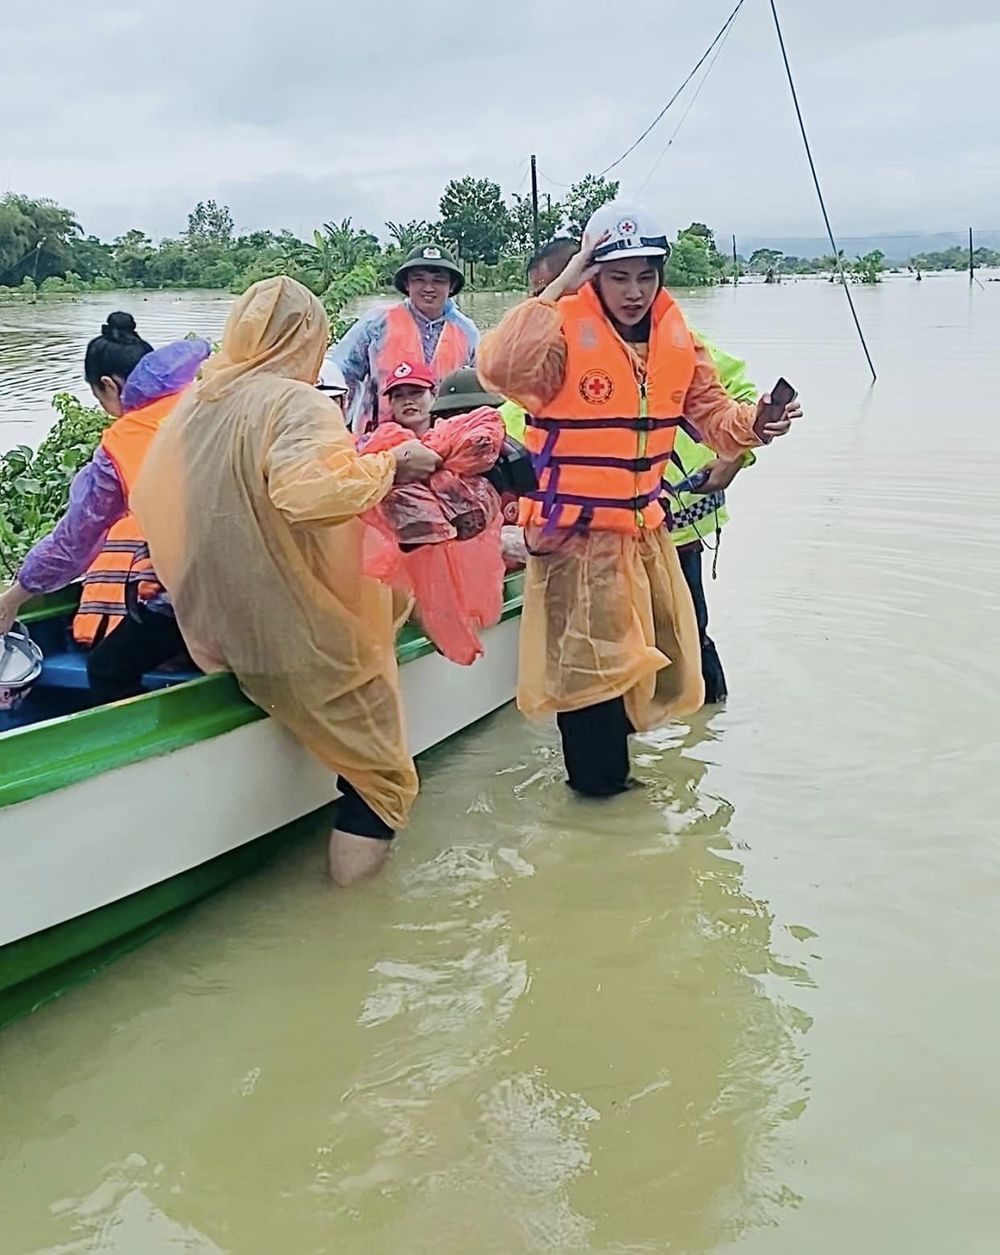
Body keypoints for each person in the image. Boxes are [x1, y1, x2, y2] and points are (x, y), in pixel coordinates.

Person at [478, 203, 801, 797]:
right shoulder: (560, 334)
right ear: (595, 276)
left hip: (644, 535)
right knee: (588, 674)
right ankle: (598, 793)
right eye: (618, 275)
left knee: (647, 658)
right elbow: (499, 367)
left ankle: (618, 795)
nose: (634, 291)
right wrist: (565, 277)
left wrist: (758, 422)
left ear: (661, 276)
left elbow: (714, 418)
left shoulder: (677, 339)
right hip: (574, 539)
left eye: (645, 276)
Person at [130, 277, 441, 886]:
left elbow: (153, 494)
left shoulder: (201, 401)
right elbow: (309, 497)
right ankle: (353, 929)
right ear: (310, 338)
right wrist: (391, 464)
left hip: (211, 622)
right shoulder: (296, 403)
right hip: (287, 629)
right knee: (381, 778)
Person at [509, 237, 760, 704]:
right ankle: (632, 749)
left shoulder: (675, 339)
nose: (546, 301)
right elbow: (514, 426)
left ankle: (704, 732)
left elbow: (739, 400)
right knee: (605, 656)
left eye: (551, 287)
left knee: (684, 634)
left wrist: (735, 457)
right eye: (539, 291)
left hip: (676, 521)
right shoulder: (555, 355)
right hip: (589, 536)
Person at [0, 314, 210, 702]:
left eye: (100, 399)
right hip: (260, 579)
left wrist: (14, 598)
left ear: (109, 386)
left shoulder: (122, 442)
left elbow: (75, 540)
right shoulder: (202, 402)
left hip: (198, 595)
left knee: (108, 667)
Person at [330, 244, 479, 435]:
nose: (428, 288)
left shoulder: (467, 331)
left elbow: (481, 387)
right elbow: (340, 376)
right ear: (407, 284)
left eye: (438, 281)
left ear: (451, 286)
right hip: (378, 440)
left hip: (444, 441)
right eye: (419, 280)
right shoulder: (376, 323)